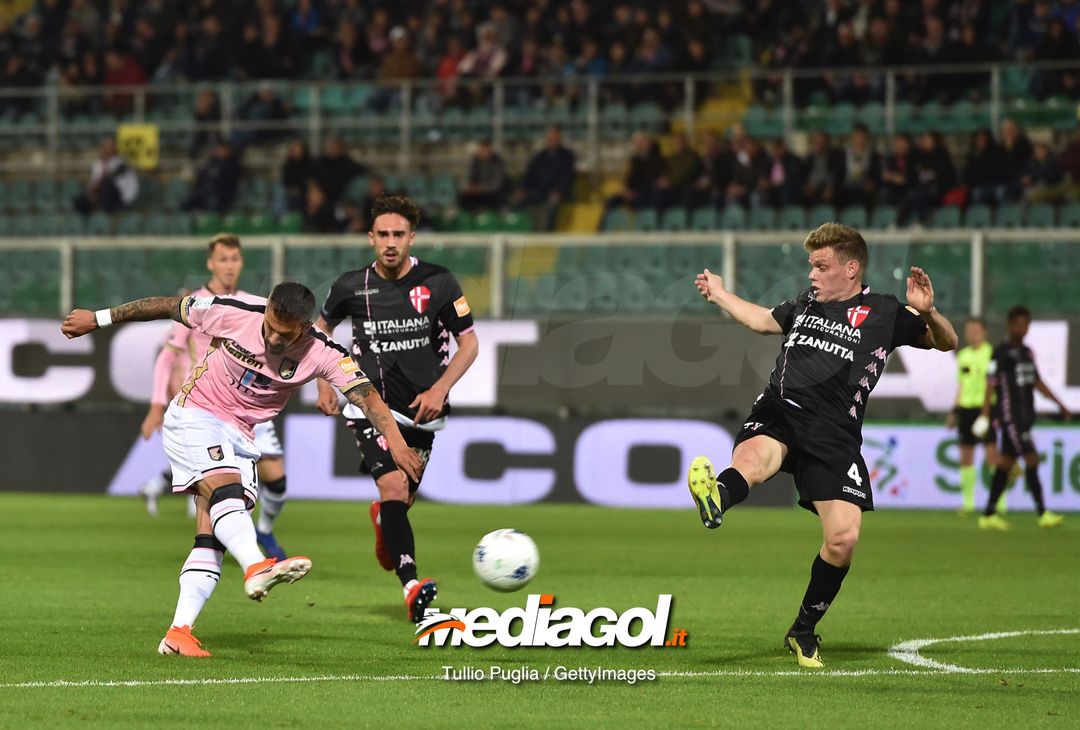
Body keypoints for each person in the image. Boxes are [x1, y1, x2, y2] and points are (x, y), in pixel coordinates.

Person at [61, 283, 423, 657]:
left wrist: (396, 444)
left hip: (243, 435)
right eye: (271, 325)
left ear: (304, 327)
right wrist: (98, 318)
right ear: (267, 310)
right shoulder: (234, 311)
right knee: (226, 495)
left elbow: (367, 396)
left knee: (213, 535)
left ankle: (179, 633)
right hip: (196, 415)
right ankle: (256, 566)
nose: (273, 336)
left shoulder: (323, 352)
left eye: (286, 334)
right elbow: (166, 305)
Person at [688, 223, 958, 668]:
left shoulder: (885, 312)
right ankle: (716, 495)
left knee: (843, 538)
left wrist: (928, 313)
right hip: (783, 408)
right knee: (755, 458)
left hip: (835, 432)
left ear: (851, 269)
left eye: (821, 265)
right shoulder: (805, 304)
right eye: (811, 265)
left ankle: (803, 630)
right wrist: (718, 292)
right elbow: (759, 321)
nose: (812, 274)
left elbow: (947, 342)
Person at [314, 195, 479, 624]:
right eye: (383, 234)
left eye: (398, 234)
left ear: (412, 238)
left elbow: (470, 344)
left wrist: (440, 389)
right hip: (369, 405)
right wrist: (323, 382)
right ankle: (413, 588)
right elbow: (320, 332)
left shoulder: (440, 282)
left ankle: (385, 523)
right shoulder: (350, 286)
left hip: (423, 410)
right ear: (371, 238)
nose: (390, 242)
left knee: (401, 498)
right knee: (393, 487)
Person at [138, 234, 293, 560]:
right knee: (222, 489)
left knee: (276, 480)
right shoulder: (194, 303)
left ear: (241, 262)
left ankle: (262, 531)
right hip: (210, 407)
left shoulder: (254, 303)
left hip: (251, 407)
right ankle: (222, 554)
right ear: (211, 263)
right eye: (222, 259)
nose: (229, 265)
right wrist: (156, 405)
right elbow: (168, 356)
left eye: (234, 259)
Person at [978, 306, 1071, 530]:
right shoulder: (1000, 352)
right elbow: (991, 384)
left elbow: (1037, 382)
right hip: (1011, 417)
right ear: (1010, 325)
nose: (1024, 327)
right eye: (1019, 323)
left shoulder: (1027, 352)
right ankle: (1043, 512)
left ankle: (989, 513)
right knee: (1031, 459)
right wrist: (985, 414)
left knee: (1005, 463)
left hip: (1026, 416)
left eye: (1027, 323)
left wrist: (1060, 405)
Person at [946, 316, 1003, 516]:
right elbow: (961, 385)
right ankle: (968, 503)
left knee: (992, 455)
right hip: (967, 409)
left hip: (987, 408)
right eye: (969, 330)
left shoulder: (992, 354)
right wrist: (954, 410)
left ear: (984, 332)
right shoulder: (963, 356)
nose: (972, 333)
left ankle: (999, 503)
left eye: (976, 330)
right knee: (966, 456)